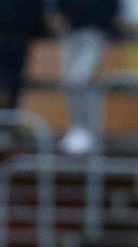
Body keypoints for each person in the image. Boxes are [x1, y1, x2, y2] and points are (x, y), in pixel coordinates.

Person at [52, 0, 121, 154]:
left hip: (94, 32)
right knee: (69, 82)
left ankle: (89, 132)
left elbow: (111, 7)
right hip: (71, 32)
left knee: (79, 79)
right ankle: (77, 129)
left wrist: (101, 22)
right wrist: (61, 14)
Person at [0, 0, 47, 127]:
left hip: (19, 34)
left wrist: (35, 29)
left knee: (14, 84)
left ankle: (9, 127)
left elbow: (35, 6)